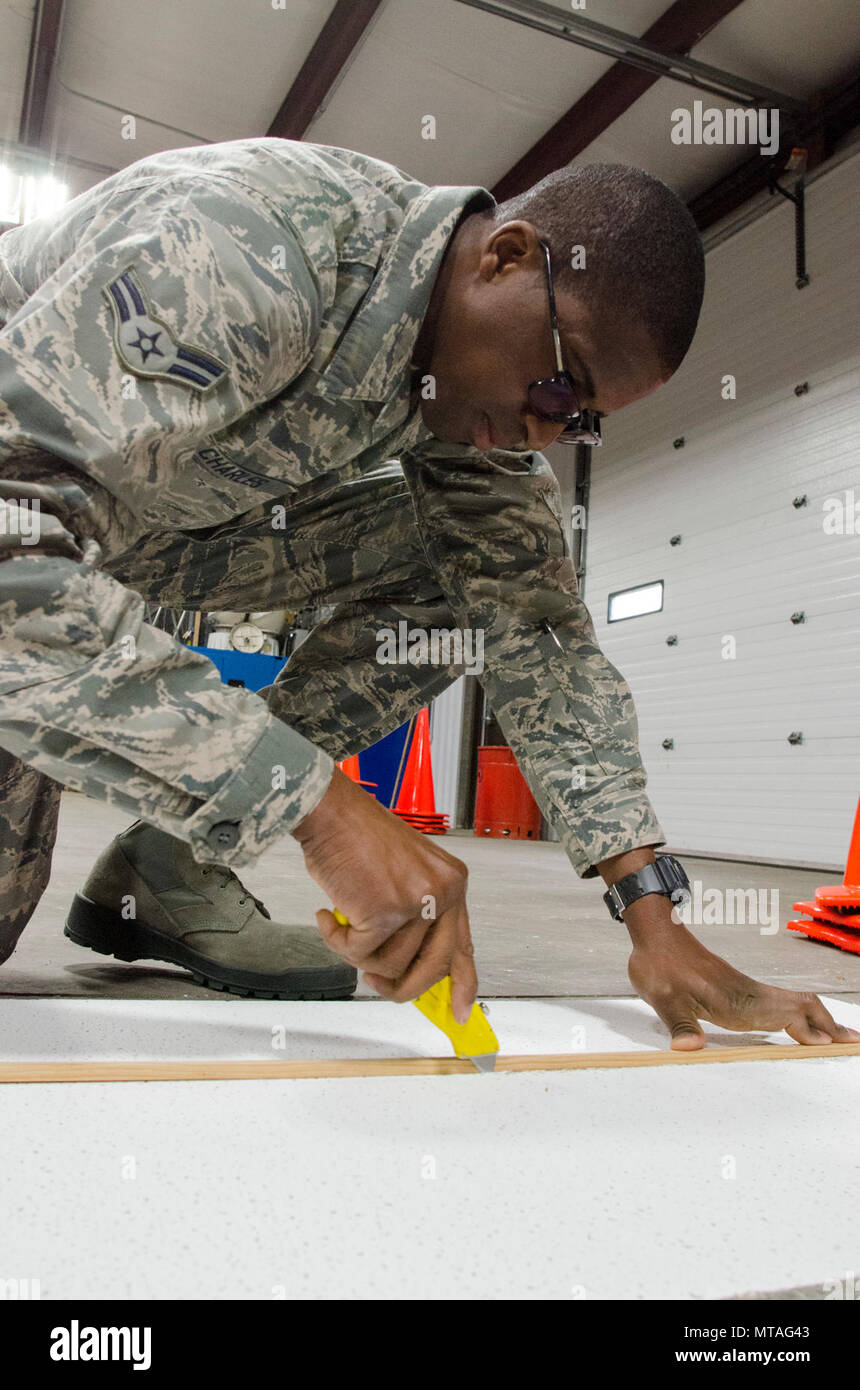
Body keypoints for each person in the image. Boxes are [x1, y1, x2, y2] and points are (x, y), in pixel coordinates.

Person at [1, 138, 854, 1050]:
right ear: (507, 256)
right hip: (33, 537)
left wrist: (655, 923)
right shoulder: (248, 251)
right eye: (561, 386)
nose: (548, 431)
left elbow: (543, 639)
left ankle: (175, 866)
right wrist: (320, 810)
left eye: (581, 421)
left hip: (135, 540)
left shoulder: (468, 411)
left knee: (472, 580)